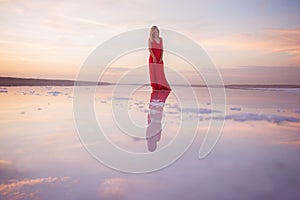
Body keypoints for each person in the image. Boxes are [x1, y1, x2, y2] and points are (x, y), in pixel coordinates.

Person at [148, 26, 171, 91]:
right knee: (153, 72)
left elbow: (162, 49)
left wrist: (161, 57)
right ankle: (155, 88)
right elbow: (149, 49)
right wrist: (154, 57)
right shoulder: (150, 39)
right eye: (154, 32)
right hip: (153, 57)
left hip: (159, 57)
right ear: (152, 33)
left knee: (160, 72)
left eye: (156, 32)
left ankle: (161, 86)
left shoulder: (161, 39)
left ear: (158, 32)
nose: (155, 33)